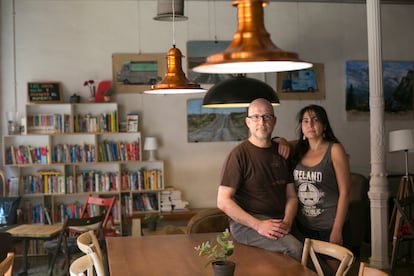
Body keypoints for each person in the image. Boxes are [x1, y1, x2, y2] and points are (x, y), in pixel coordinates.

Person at [217, 98, 303, 262]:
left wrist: (287, 222)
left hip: (279, 219)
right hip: (247, 224)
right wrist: (258, 225)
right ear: (248, 122)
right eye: (255, 117)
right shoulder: (238, 155)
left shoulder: (282, 152)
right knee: (295, 248)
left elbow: (291, 196)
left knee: (313, 251)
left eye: (266, 117)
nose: (261, 122)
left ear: (274, 121)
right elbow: (223, 201)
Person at [291, 104, 351, 273]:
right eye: (305, 121)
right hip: (304, 227)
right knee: (309, 272)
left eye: (315, 120)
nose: (310, 125)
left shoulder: (335, 150)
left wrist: (337, 229)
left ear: (324, 126)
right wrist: (278, 140)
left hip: (330, 226)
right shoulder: (297, 150)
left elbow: (345, 192)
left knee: (331, 273)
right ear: (302, 127)